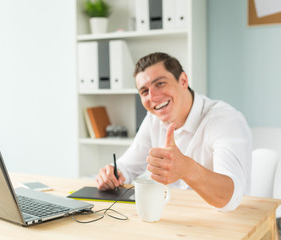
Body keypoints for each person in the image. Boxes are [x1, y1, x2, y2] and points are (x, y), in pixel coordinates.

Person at [96, 52, 252, 212]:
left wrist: (187, 169)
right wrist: (112, 174)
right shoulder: (153, 118)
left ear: (183, 81)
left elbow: (230, 199)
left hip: (225, 223)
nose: (153, 97)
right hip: (176, 216)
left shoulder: (225, 120)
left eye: (160, 84)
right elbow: (128, 167)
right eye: (144, 91)